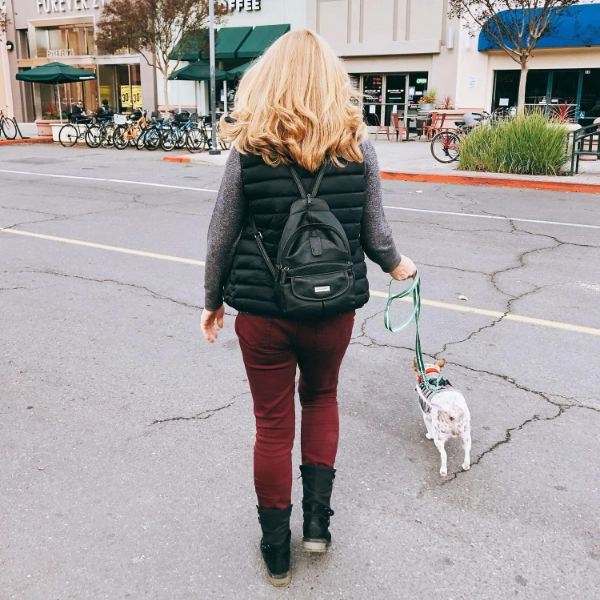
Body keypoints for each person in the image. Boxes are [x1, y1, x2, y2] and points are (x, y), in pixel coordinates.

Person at [201, 29, 416, 587]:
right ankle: (317, 527)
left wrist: (211, 301)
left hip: (264, 315)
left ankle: (276, 552)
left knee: (273, 427)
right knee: (322, 401)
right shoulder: (357, 144)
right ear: (331, 80)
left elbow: (220, 235)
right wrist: (400, 268)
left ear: (268, 80)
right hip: (332, 311)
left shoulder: (249, 148)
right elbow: (376, 234)